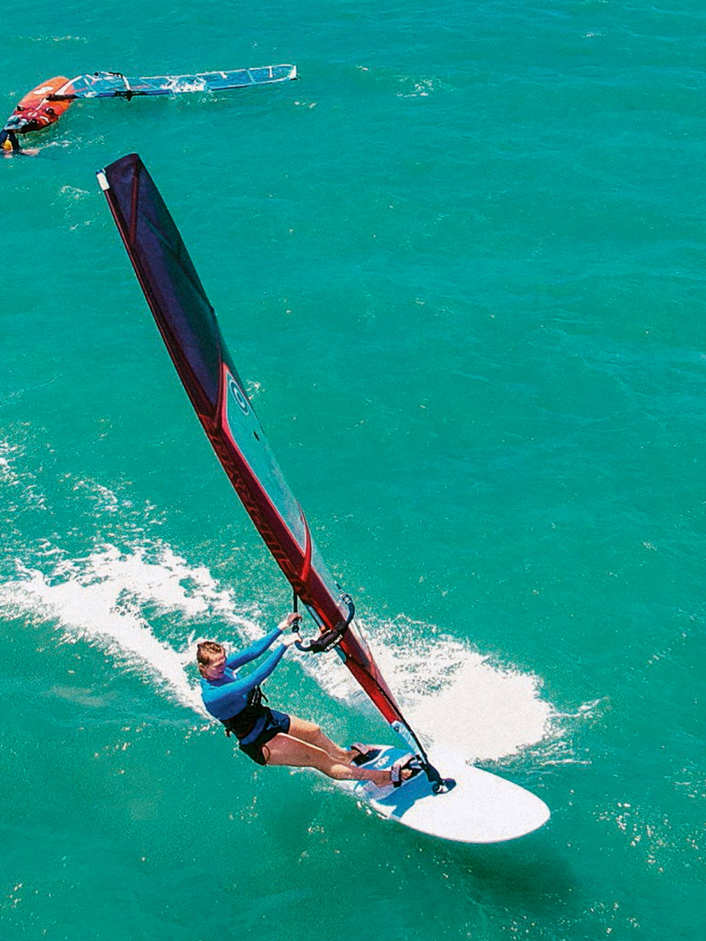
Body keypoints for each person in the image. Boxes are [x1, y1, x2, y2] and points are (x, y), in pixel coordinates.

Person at [197, 611, 418, 787]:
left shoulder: (222, 668)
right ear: (203, 668)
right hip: (258, 740)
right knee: (320, 758)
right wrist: (284, 646)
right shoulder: (213, 695)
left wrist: (281, 627)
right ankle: (379, 778)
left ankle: (346, 756)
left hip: (265, 718)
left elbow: (253, 652)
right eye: (218, 666)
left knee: (313, 731)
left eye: (225, 660)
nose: (224, 666)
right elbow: (255, 678)